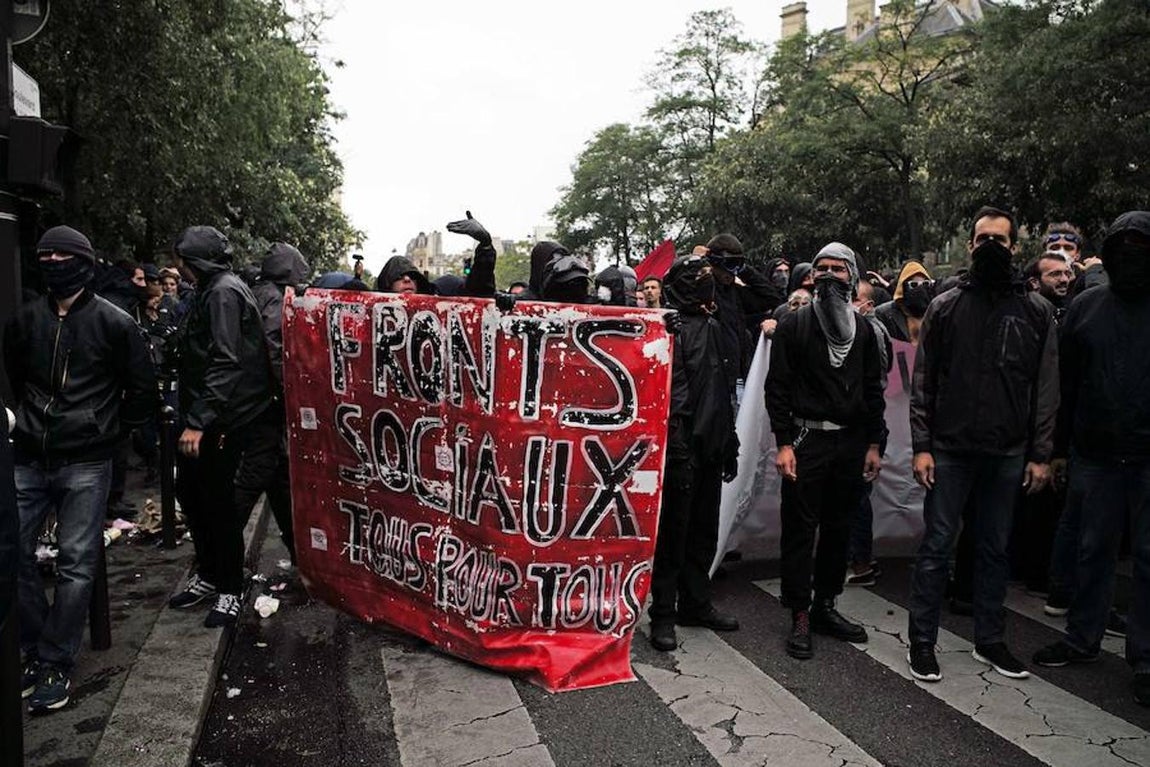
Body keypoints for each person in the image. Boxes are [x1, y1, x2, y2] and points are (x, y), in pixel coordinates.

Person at [5, 226, 156, 713]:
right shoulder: (26, 319)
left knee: (75, 564)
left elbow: (142, 390)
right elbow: (16, 374)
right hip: (29, 455)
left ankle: (54, 660)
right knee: (12, 552)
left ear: (84, 262)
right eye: (44, 254)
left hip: (87, 459)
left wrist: (108, 435)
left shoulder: (114, 323)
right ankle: (36, 647)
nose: (52, 261)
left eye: (62, 254)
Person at [906, 205, 1058, 682]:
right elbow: (924, 381)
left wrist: (1040, 453)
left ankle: (990, 641)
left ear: (1015, 247)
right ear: (970, 245)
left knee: (995, 551)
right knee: (936, 549)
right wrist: (922, 446)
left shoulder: (1036, 310)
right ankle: (922, 643)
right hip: (949, 451)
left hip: (1009, 453)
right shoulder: (944, 306)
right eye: (982, 238)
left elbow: (1046, 387)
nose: (990, 245)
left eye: (999, 238)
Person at [1031, 211, 1150, 707]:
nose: (1128, 256)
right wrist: (1058, 453)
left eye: (1138, 246)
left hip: (1148, 460)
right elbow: (1067, 387)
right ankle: (1082, 639)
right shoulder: (1084, 309)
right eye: (1119, 246)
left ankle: (1144, 658)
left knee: (1148, 558)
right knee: (1091, 550)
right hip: (1095, 456)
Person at [765, 242, 885, 660]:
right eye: (823, 269)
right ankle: (799, 612)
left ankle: (825, 605)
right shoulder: (795, 326)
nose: (831, 275)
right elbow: (776, 388)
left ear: (852, 277)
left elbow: (874, 391)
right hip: (806, 440)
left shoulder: (866, 331)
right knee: (800, 529)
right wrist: (783, 443)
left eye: (839, 269)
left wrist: (874, 442)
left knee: (840, 527)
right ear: (812, 277)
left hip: (850, 442)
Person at [168, 226, 275, 628]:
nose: (179, 270)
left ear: (195, 261)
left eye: (183, 261)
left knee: (216, 503)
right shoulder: (214, 289)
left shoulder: (222, 292)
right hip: (212, 414)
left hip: (223, 419)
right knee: (192, 494)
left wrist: (198, 421)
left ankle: (230, 586)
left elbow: (226, 360)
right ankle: (212, 574)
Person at [648, 254, 740, 651]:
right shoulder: (669, 330)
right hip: (683, 448)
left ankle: (696, 603)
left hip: (713, 444)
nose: (707, 281)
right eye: (698, 276)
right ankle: (663, 614)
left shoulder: (717, 327)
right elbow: (672, 397)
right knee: (674, 535)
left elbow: (723, 391)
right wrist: (679, 447)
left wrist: (729, 443)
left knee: (703, 531)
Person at [234, 243, 310, 564]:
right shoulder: (275, 299)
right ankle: (216, 554)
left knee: (278, 477)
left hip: (253, 401)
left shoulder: (256, 292)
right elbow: (275, 348)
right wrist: (290, 391)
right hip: (267, 403)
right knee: (255, 475)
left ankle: (299, 554)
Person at [847, 278, 892, 586]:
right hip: (859, 425)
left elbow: (877, 380)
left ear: (868, 305)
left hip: (865, 427)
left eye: (855, 298)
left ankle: (861, 562)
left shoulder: (872, 331)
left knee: (857, 497)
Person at [875, 261, 934, 345]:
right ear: (903, 287)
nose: (920, 288)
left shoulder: (935, 313)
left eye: (925, 284)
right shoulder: (885, 314)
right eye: (914, 284)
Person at [1026, 253, 1074, 323]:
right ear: (1034, 283)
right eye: (1056, 274)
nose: (1065, 279)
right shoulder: (1026, 316)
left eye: (1067, 274)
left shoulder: (1069, 310)